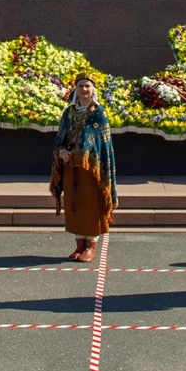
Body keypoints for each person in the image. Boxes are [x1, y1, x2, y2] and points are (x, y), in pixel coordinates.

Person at [50, 74, 117, 263]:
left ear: (93, 90)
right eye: (81, 86)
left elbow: (100, 142)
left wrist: (83, 154)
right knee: (74, 204)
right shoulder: (69, 113)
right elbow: (60, 138)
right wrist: (62, 152)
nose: (84, 89)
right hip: (71, 167)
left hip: (91, 169)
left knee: (90, 205)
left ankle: (91, 245)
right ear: (76, 89)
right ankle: (79, 245)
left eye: (87, 86)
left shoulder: (98, 113)